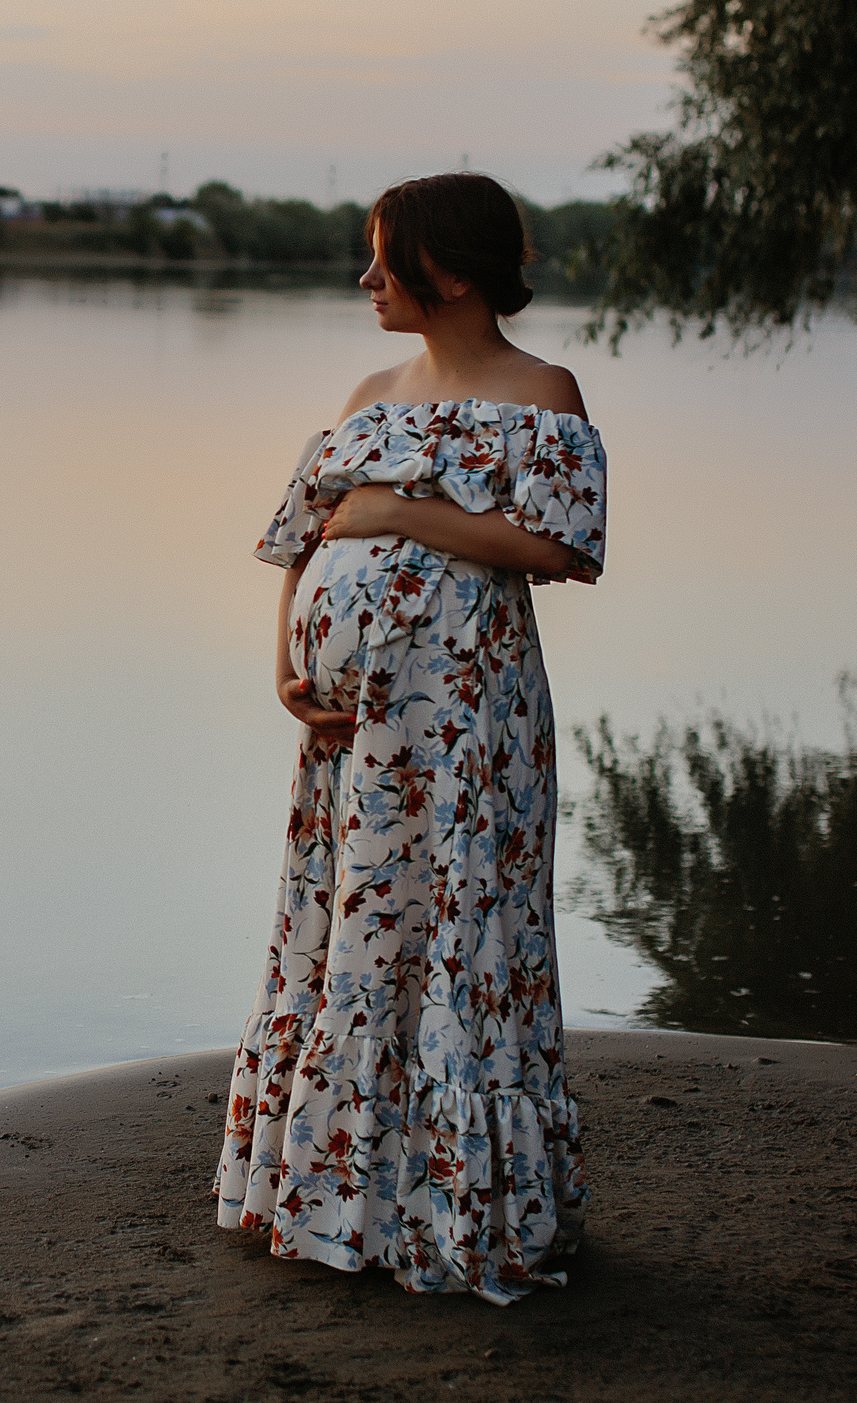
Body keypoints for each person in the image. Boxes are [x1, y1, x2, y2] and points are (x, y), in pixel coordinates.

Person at [215, 172, 606, 1303]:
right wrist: (286, 667)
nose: (365, 278)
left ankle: (454, 1210)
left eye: (384, 258)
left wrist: (396, 514)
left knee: (462, 941)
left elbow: (562, 548)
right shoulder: (370, 390)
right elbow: (300, 545)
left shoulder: (544, 390)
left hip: (471, 731)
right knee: (355, 937)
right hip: (354, 733)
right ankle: (342, 1200)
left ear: (451, 268)